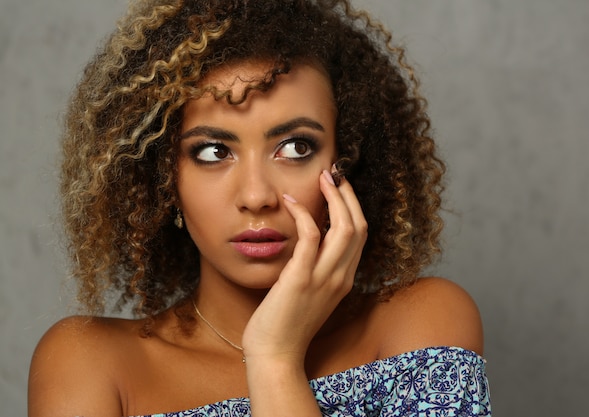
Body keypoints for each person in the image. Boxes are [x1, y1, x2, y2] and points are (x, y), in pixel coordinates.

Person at [28, 0, 490, 416]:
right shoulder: (90, 365)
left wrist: (275, 359)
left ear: (347, 160)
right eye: (212, 152)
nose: (256, 196)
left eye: (295, 147)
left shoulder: (422, 325)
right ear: (163, 180)